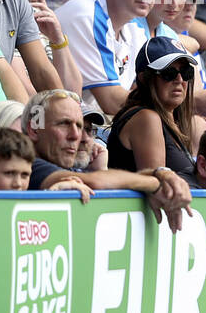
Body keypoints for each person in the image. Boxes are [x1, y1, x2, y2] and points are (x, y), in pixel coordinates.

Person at [24, 87, 194, 229]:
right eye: (63, 124)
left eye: (80, 126)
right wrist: (156, 182)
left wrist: (160, 174)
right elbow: (95, 183)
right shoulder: (28, 164)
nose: (76, 136)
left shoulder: (72, 165)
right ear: (34, 129)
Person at [58, 0, 161, 115]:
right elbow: (112, 103)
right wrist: (192, 102)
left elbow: (140, 90)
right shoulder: (86, 16)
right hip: (61, 121)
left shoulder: (135, 28)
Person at [105, 37, 199, 181]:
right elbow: (158, 187)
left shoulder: (173, 122)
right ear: (144, 78)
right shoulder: (146, 118)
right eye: (169, 73)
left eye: (186, 72)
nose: (180, 80)